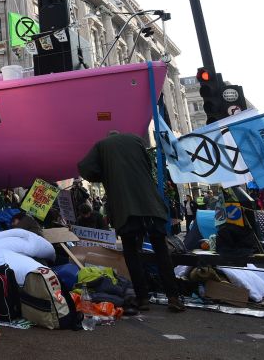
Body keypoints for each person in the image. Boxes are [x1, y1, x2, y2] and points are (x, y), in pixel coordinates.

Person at [78, 131, 185, 312]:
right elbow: (147, 163)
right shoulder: (136, 140)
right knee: (161, 250)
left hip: (126, 208)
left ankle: (142, 298)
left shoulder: (101, 146)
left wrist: (104, 174)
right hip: (151, 205)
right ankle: (173, 297)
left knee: (131, 253)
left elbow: (84, 167)